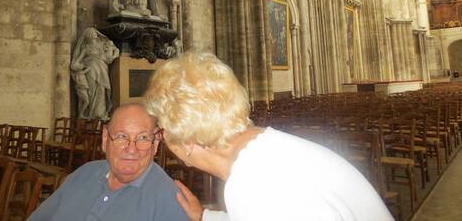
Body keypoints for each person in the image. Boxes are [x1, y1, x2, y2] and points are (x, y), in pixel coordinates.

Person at [145, 52, 394, 221]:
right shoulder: (266, 151)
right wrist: (204, 216)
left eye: (162, 129)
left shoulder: (251, 184)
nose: (161, 138)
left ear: (188, 142)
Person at [28, 103, 189, 221]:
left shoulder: (172, 201)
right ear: (105, 139)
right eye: (121, 137)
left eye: (143, 138)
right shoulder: (83, 174)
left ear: (155, 144)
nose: (131, 149)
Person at [70, 27, 120, 120]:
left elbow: (113, 52)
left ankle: (100, 114)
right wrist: (81, 66)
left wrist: (113, 55)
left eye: (94, 32)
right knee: (92, 92)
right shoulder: (86, 48)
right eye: (90, 33)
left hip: (102, 68)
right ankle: (92, 115)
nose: (93, 34)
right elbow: (76, 62)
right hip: (91, 70)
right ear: (87, 36)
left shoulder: (102, 44)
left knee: (102, 90)